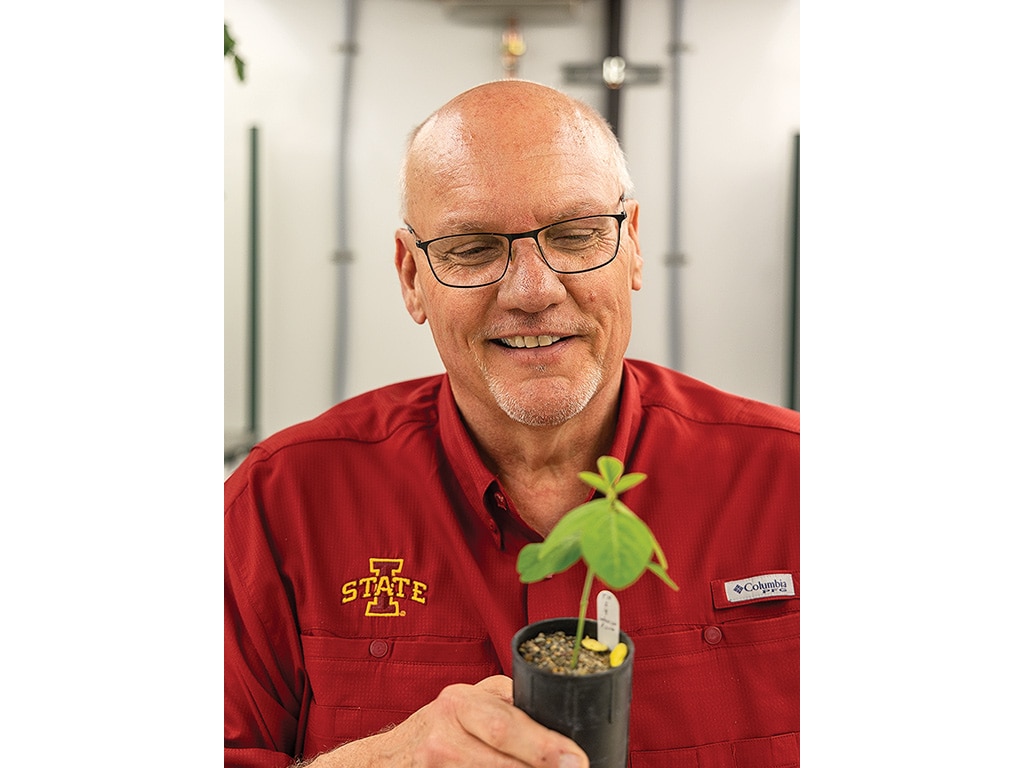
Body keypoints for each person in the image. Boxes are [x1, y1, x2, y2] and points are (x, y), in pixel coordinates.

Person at [225, 79, 799, 768]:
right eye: (472, 248)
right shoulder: (281, 502)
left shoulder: (794, 484)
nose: (533, 291)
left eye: (576, 235)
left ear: (634, 246)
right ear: (412, 276)